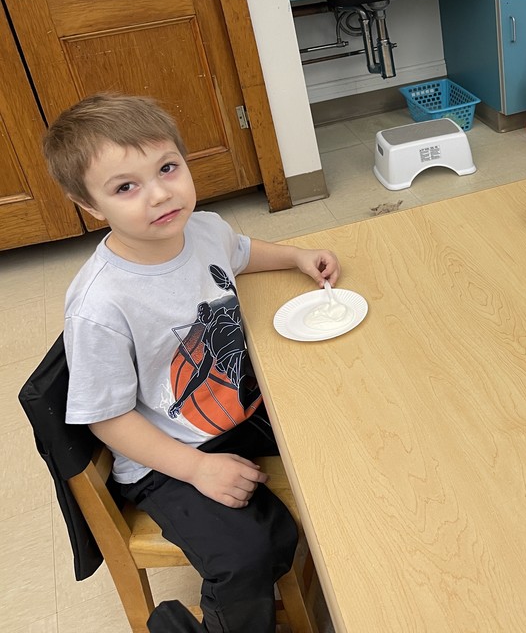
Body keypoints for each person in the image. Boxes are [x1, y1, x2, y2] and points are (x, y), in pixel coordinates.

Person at [42, 93, 340, 633]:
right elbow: (105, 417)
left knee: (339, 432)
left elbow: (242, 250)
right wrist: (196, 468)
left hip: (237, 411)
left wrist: (295, 256)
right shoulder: (101, 303)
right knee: (249, 553)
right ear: (90, 205)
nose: (159, 194)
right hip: (166, 455)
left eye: (168, 168)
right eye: (126, 187)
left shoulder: (201, 229)